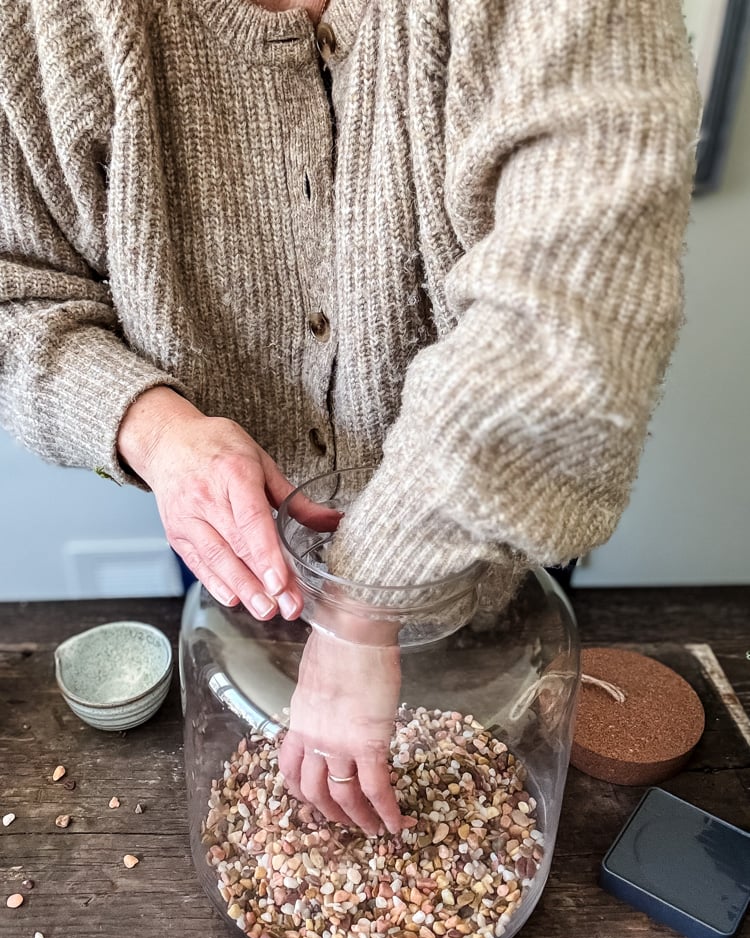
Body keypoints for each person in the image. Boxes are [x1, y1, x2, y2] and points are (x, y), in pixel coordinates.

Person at [0, 0, 700, 835]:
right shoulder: (42, 22)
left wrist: (365, 610)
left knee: (504, 748)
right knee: (249, 733)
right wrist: (155, 430)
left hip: (486, 561)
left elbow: (575, 307)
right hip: (245, 559)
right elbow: (18, 293)